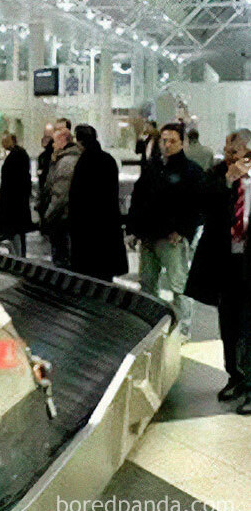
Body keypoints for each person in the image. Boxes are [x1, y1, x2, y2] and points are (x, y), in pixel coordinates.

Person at [186, 129, 251, 414]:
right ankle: (234, 376)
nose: (228, 155)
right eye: (227, 149)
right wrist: (227, 179)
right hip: (225, 263)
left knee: (249, 326)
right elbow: (202, 203)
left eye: (234, 150)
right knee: (229, 323)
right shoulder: (217, 175)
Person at [127, 123, 204, 338]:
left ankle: (183, 329)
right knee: (147, 284)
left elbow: (198, 206)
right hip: (149, 235)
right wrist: (133, 229)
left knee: (178, 284)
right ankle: (150, 326)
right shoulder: (153, 168)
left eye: (172, 141)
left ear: (182, 143)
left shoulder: (191, 171)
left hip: (171, 238)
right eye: (164, 140)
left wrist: (183, 231)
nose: (167, 145)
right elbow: (138, 198)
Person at [69, 125, 128, 280]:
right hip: (107, 226)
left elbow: (77, 197)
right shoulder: (108, 159)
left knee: (88, 276)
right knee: (105, 276)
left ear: (80, 141)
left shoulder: (84, 162)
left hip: (88, 229)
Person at [41, 126, 80, 268]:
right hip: (65, 218)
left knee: (62, 261)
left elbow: (60, 194)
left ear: (63, 141)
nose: (53, 145)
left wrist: (48, 214)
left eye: (55, 141)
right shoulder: (63, 159)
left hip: (62, 219)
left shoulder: (66, 163)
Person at [0, 132, 33, 257]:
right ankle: (21, 256)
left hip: (13, 204)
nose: (2, 143)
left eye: (5, 140)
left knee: (15, 233)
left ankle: (19, 258)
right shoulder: (20, 155)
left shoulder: (15, 157)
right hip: (19, 203)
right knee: (19, 234)